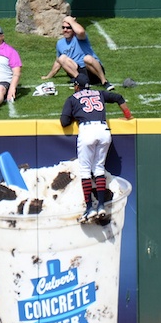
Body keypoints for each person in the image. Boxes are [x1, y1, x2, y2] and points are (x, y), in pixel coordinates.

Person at [60, 73, 133, 224]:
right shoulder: (99, 93)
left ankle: (89, 207)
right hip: (104, 131)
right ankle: (100, 205)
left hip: (87, 132)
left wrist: (75, 115)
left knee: (85, 171)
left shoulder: (72, 98)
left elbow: (64, 121)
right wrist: (128, 116)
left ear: (76, 86)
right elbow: (119, 97)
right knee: (99, 168)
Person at [41, 15, 114, 90]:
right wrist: (48, 76)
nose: (65, 30)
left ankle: (104, 82)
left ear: (73, 29)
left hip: (93, 71)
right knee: (62, 58)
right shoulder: (60, 43)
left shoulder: (79, 37)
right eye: (63, 27)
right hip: (79, 72)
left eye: (68, 28)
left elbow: (80, 31)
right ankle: (81, 82)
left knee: (87, 58)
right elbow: (58, 61)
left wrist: (71, 21)